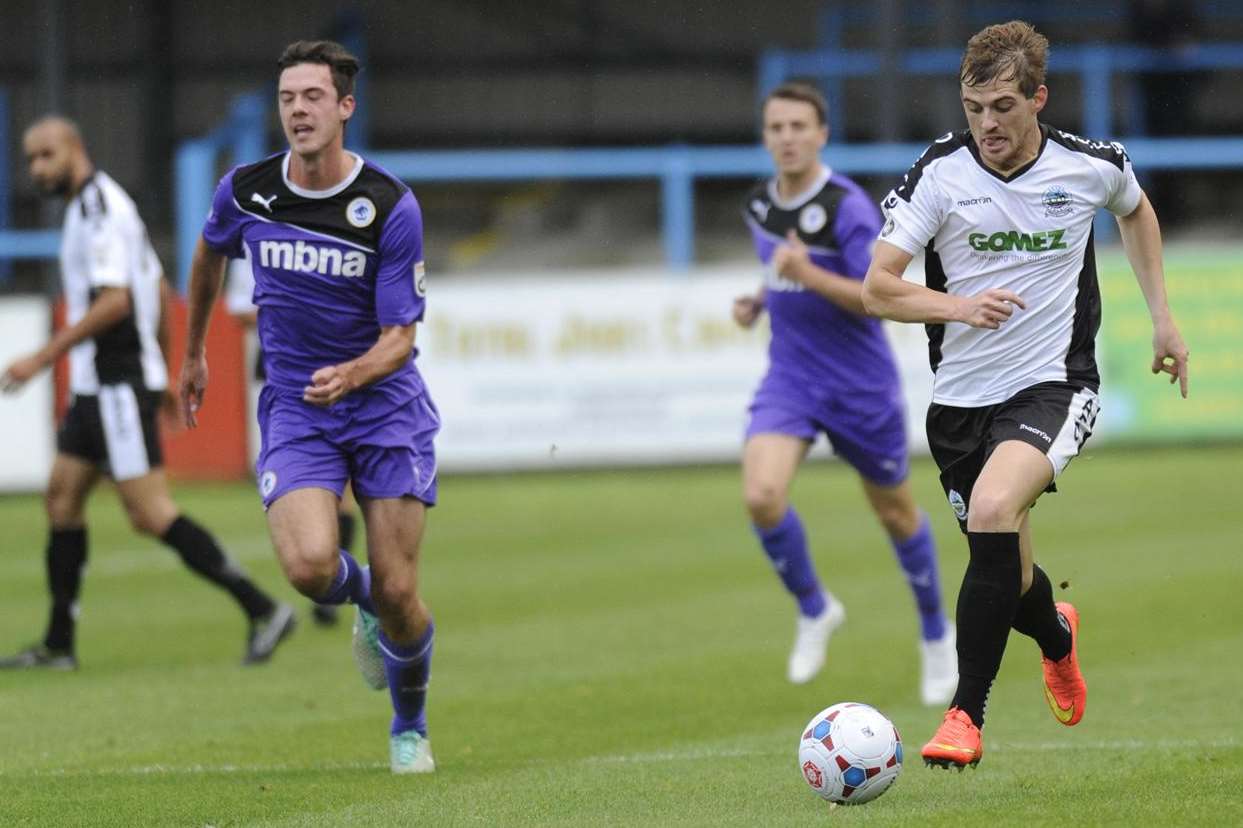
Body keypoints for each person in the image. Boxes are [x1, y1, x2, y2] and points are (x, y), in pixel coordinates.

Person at [862, 21, 1189, 769]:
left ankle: (963, 718)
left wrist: (1162, 319)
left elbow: (1133, 208)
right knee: (1004, 569)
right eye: (974, 107)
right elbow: (875, 288)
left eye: (1003, 106)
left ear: (1037, 98)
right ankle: (1057, 637)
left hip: (1052, 385)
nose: (986, 124)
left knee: (991, 510)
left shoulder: (1088, 166)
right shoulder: (938, 174)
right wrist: (956, 308)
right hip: (959, 406)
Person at [179, 40, 439, 775]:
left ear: (344, 107)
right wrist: (194, 351)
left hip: (384, 405)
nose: (298, 109)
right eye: (288, 97)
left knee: (400, 590)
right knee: (307, 565)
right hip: (298, 407)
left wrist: (352, 374)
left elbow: (400, 340)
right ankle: (357, 602)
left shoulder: (388, 205)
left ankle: (408, 726)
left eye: (313, 96)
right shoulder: (246, 191)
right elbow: (207, 255)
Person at [0, 116, 295, 671]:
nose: (36, 169)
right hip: (101, 386)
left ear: (74, 148)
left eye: (45, 156)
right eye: (30, 159)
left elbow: (118, 302)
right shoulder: (99, 206)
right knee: (61, 498)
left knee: (150, 512)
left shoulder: (98, 211)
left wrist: (43, 357)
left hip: (114, 382)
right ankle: (58, 645)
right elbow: (156, 288)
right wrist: (163, 369)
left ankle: (262, 608)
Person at [734, 82, 956, 704]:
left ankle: (937, 634)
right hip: (792, 378)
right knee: (761, 495)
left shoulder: (849, 208)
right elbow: (780, 272)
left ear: (822, 134)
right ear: (765, 136)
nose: (787, 137)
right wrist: (761, 299)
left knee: (895, 514)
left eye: (799, 126)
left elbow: (874, 298)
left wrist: (806, 273)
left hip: (860, 385)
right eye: (776, 127)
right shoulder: (758, 205)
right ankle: (814, 608)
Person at [224, 253, 359, 628]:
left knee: (343, 485)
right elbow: (239, 308)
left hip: (335, 367)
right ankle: (333, 578)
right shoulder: (255, 240)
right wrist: (297, 315)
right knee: (298, 476)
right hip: (282, 373)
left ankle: (334, 585)